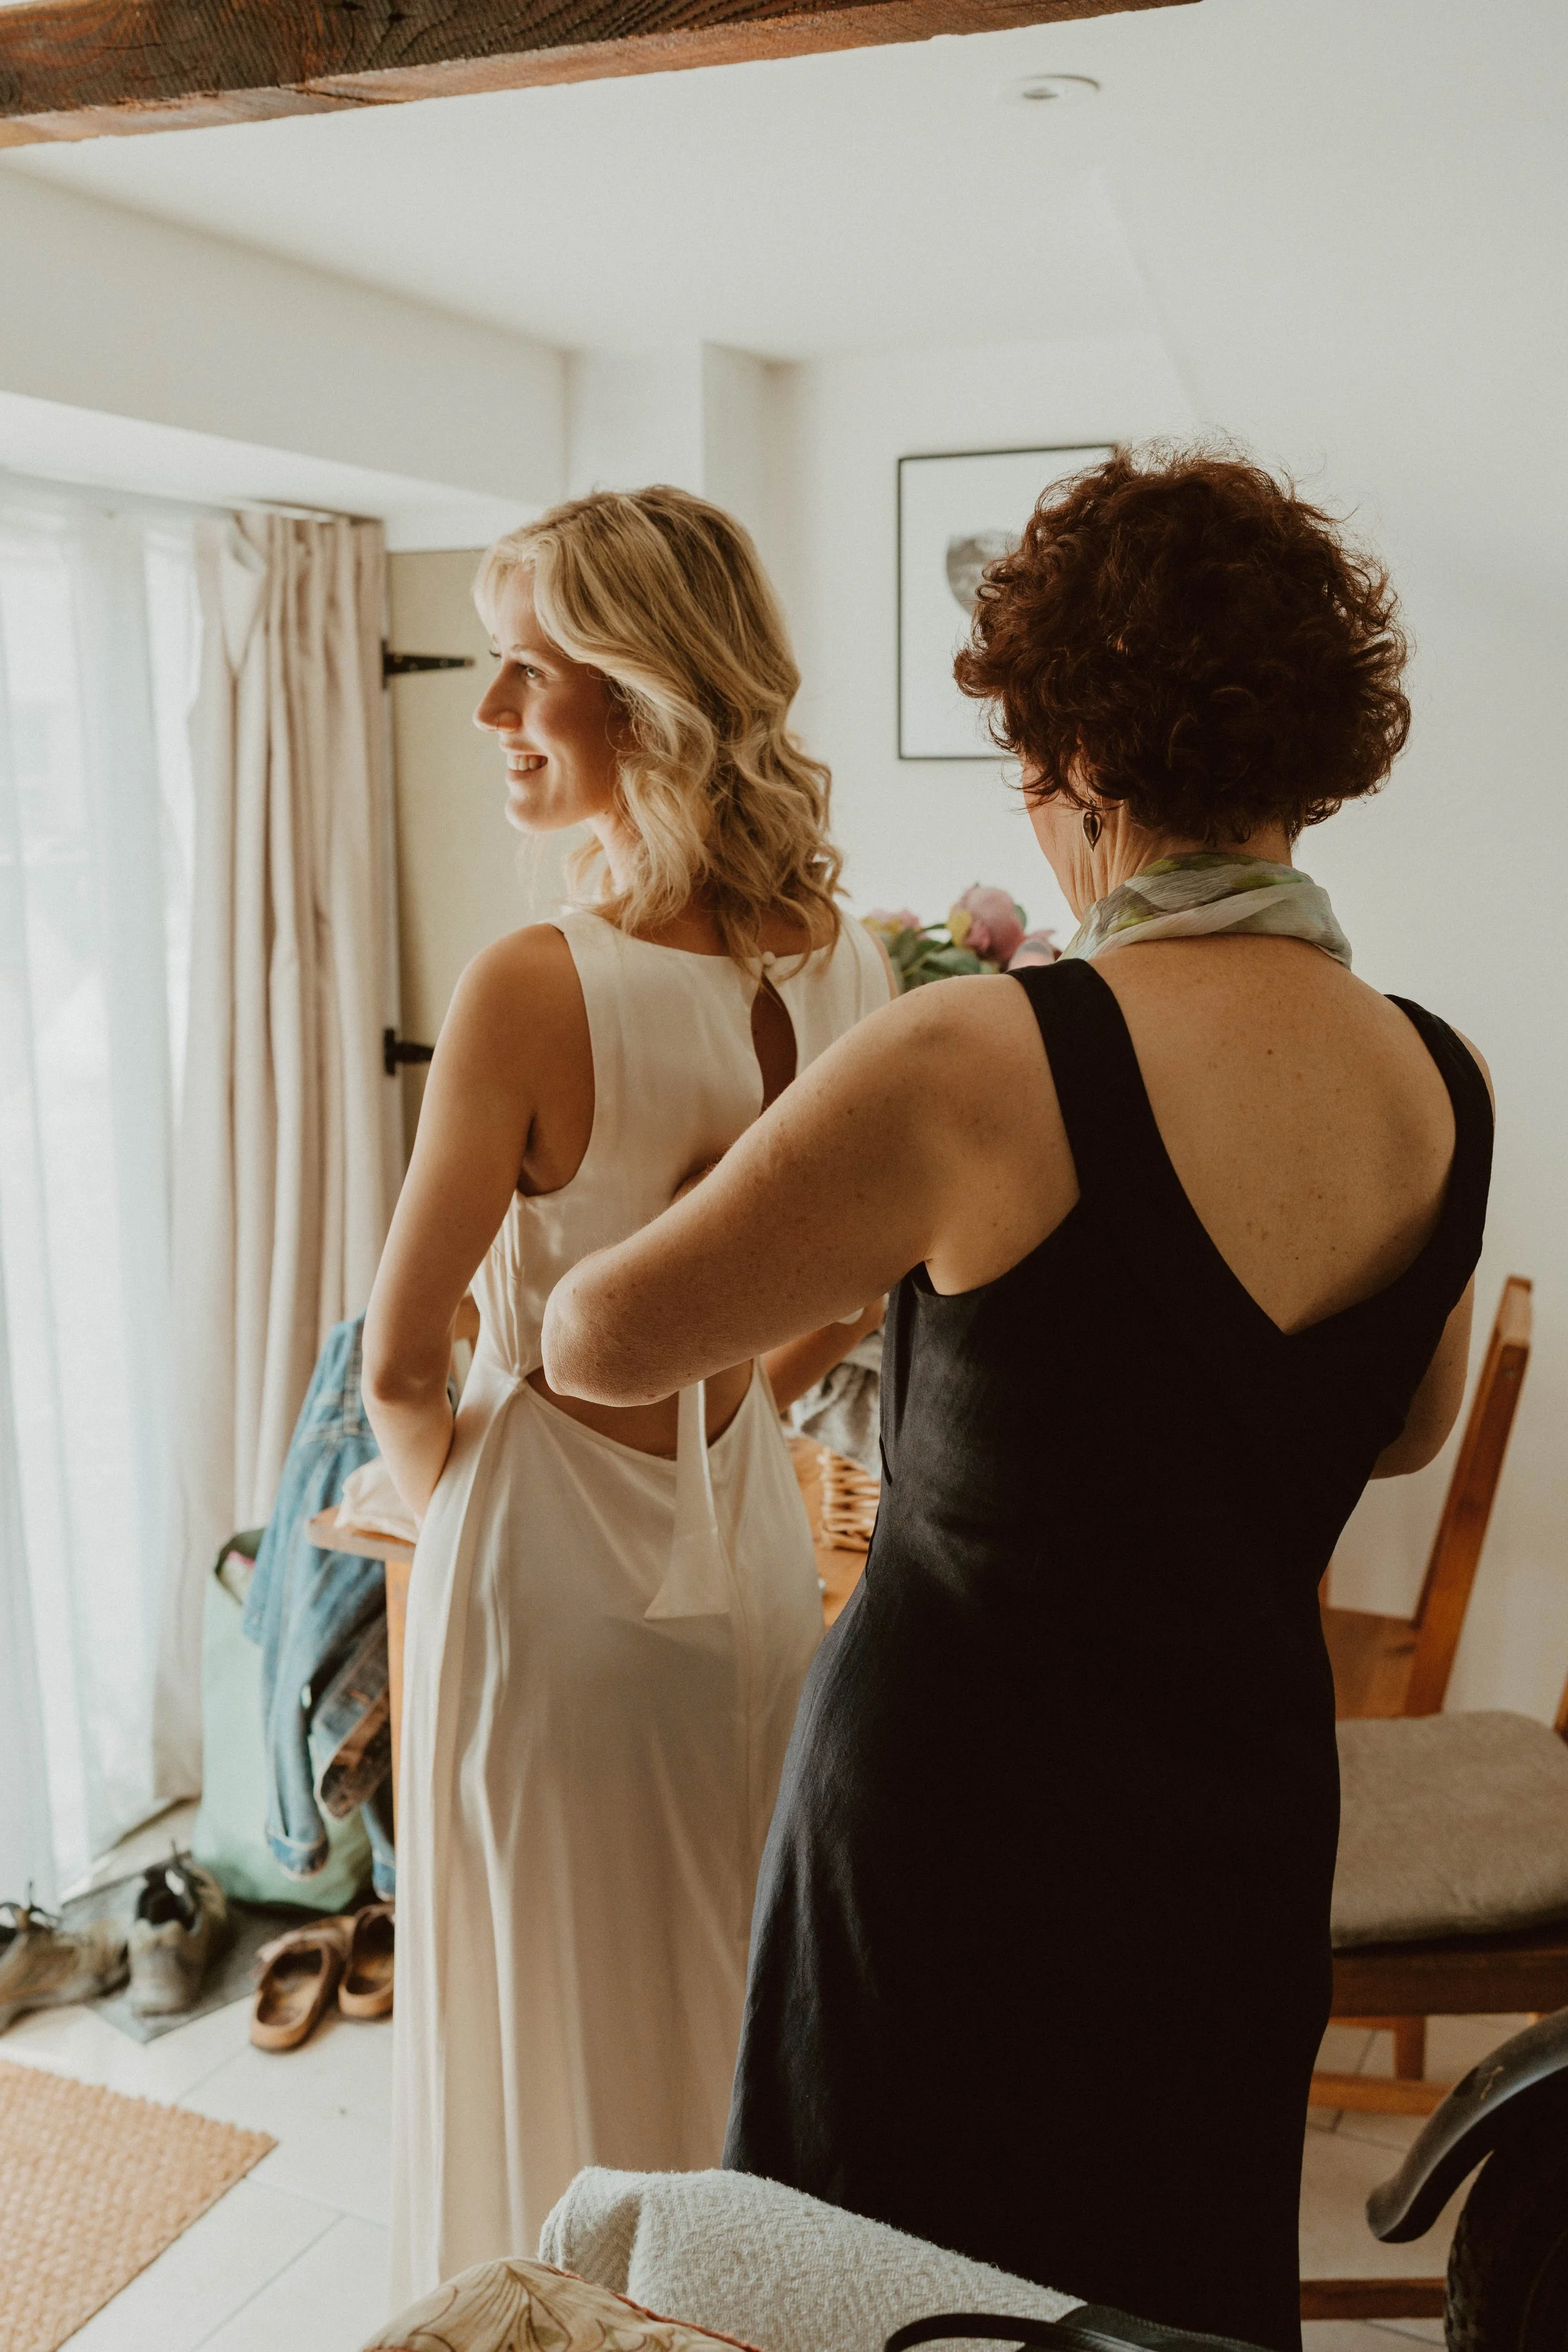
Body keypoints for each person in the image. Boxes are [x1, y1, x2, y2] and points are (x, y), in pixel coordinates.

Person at [541, 450, 1493, 2352]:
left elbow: (601, 1340)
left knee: (879, 2296)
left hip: (948, 1835)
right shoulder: (1434, 1075)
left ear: (1069, 762)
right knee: (1157, 2291)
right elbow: (1391, 1428)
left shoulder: (981, 1052)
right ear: (1312, 757)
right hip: (1231, 1815)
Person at [363, 486, 890, 2302]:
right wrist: (730, 1395)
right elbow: (837, 1303)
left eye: (531, 669)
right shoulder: (853, 967)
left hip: (545, 1573)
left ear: (643, 692)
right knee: (714, 1995)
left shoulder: (532, 986)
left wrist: (479, 1511)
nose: (496, 709)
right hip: (743, 1553)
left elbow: (397, 1356)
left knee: (536, 2012)